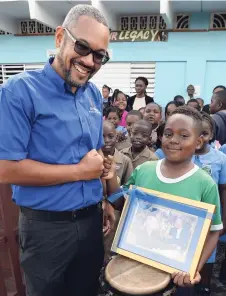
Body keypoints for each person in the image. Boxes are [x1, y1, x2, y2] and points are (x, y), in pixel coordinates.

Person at [0, 5, 115, 296]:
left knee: (87, 290)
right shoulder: (20, 91)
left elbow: (94, 152)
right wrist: (79, 172)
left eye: (99, 56)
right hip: (45, 230)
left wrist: (105, 193)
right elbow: (6, 168)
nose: (89, 61)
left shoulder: (92, 94)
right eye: (83, 47)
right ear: (60, 37)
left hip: (90, 222)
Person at [106, 106, 223, 294]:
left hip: (177, 272)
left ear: (199, 141)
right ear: (160, 137)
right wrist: (111, 176)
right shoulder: (144, 171)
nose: (174, 140)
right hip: (137, 263)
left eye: (184, 136)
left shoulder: (205, 183)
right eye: (168, 133)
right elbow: (122, 204)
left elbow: (213, 232)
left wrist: (193, 269)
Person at [194, 111, 226, 295]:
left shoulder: (220, 159)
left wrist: (223, 220)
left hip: (210, 219)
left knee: (207, 258)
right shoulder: (183, 156)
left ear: (212, 135)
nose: (200, 139)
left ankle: (204, 287)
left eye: (204, 134)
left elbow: (224, 190)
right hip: (186, 217)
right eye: (196, 133)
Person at [102, 121, 133, 261]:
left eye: (111, 136)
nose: (106, 141)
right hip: (95, 211)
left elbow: (127, 189)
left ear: (117, 137)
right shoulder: (90, 159)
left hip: (115, 213)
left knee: (109, 248)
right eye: (102, 136)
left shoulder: (124, 161)